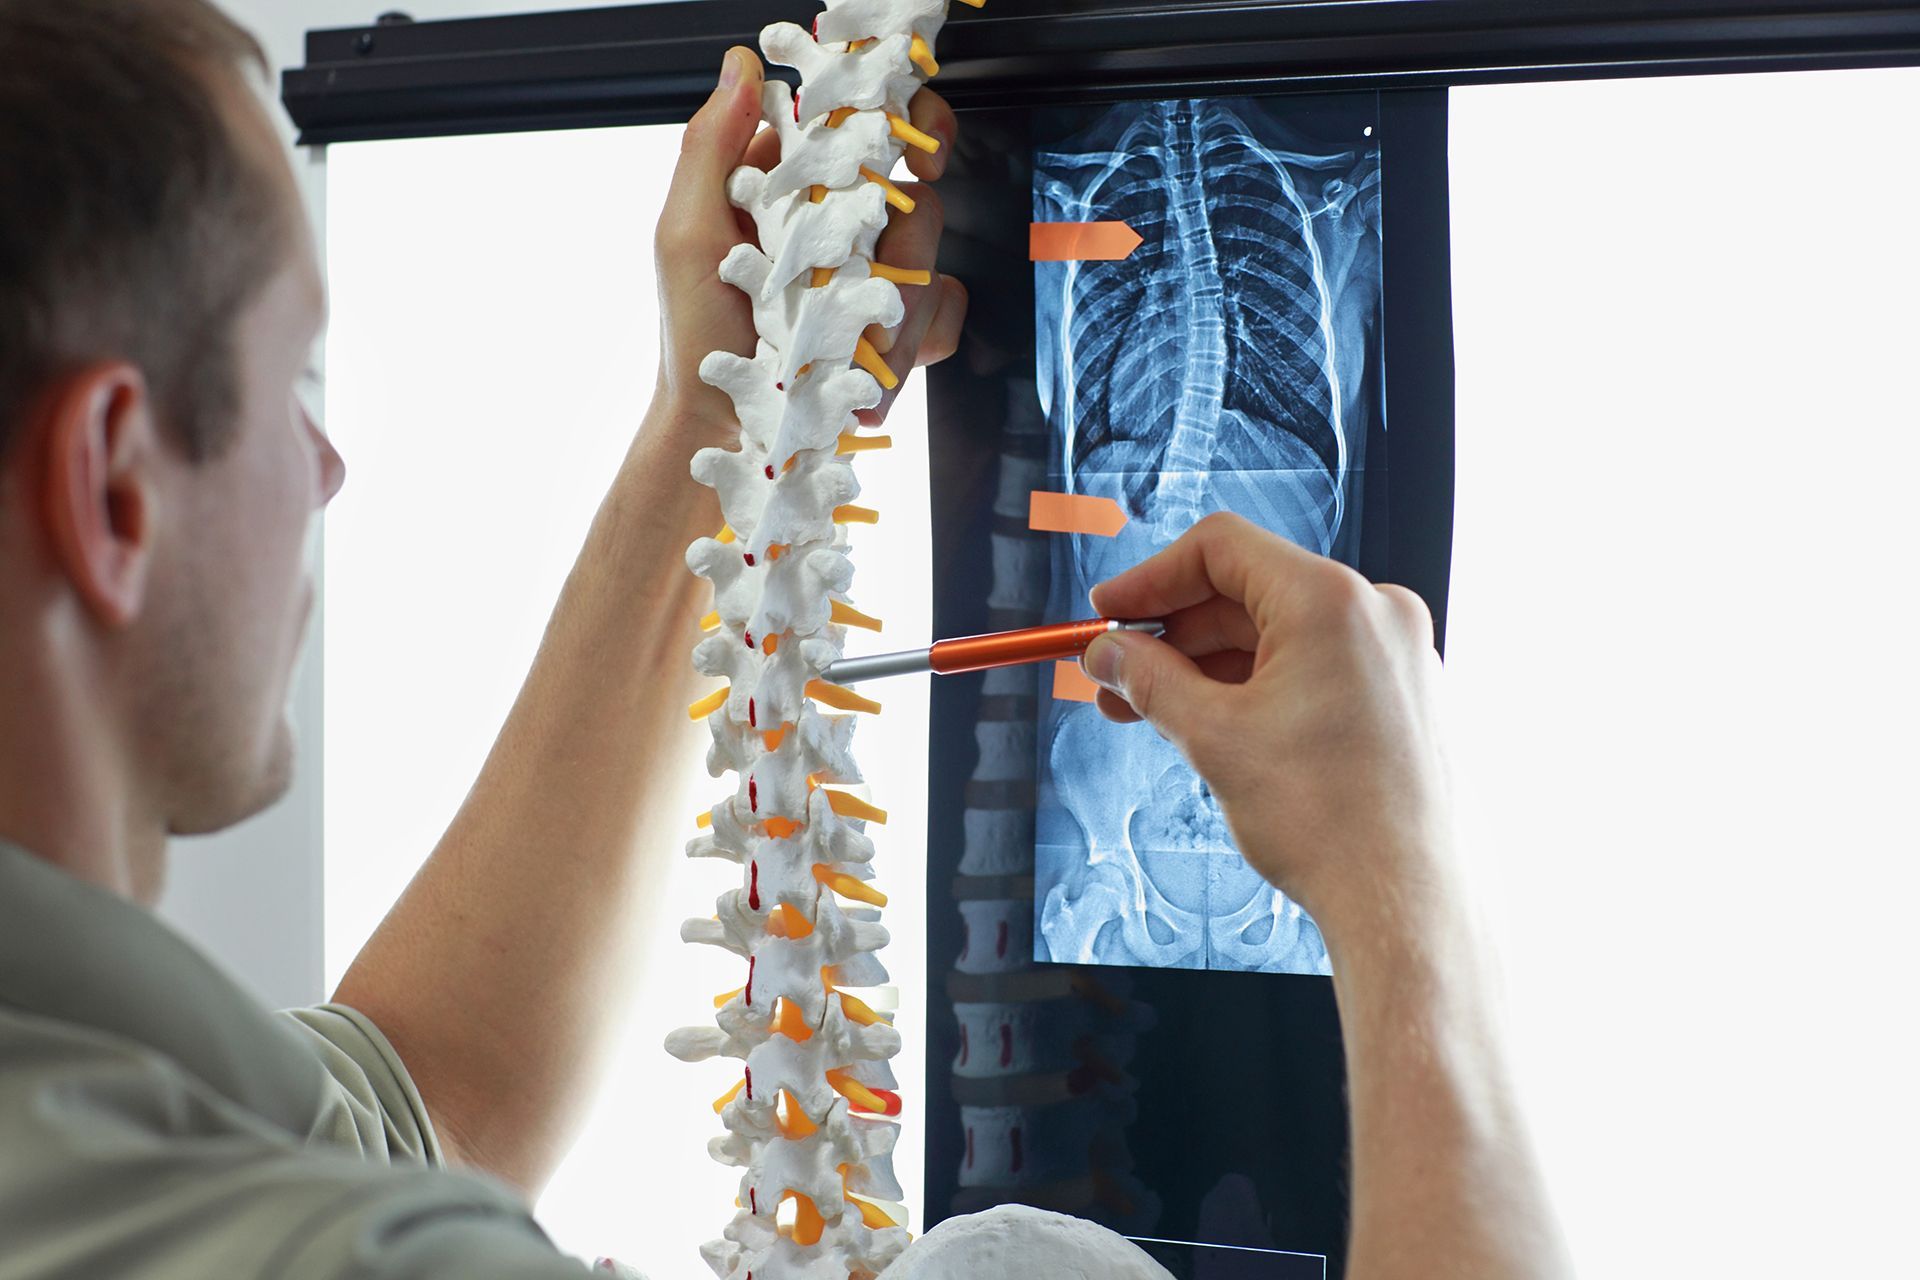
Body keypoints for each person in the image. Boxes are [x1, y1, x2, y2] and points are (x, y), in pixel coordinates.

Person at [0, 1, 1568, 1276]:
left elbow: (424, 1109)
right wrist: (1403, 883)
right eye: (295, 386)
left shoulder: (100, 1120)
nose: (326, 467)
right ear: (113, 484)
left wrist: (729, 409)